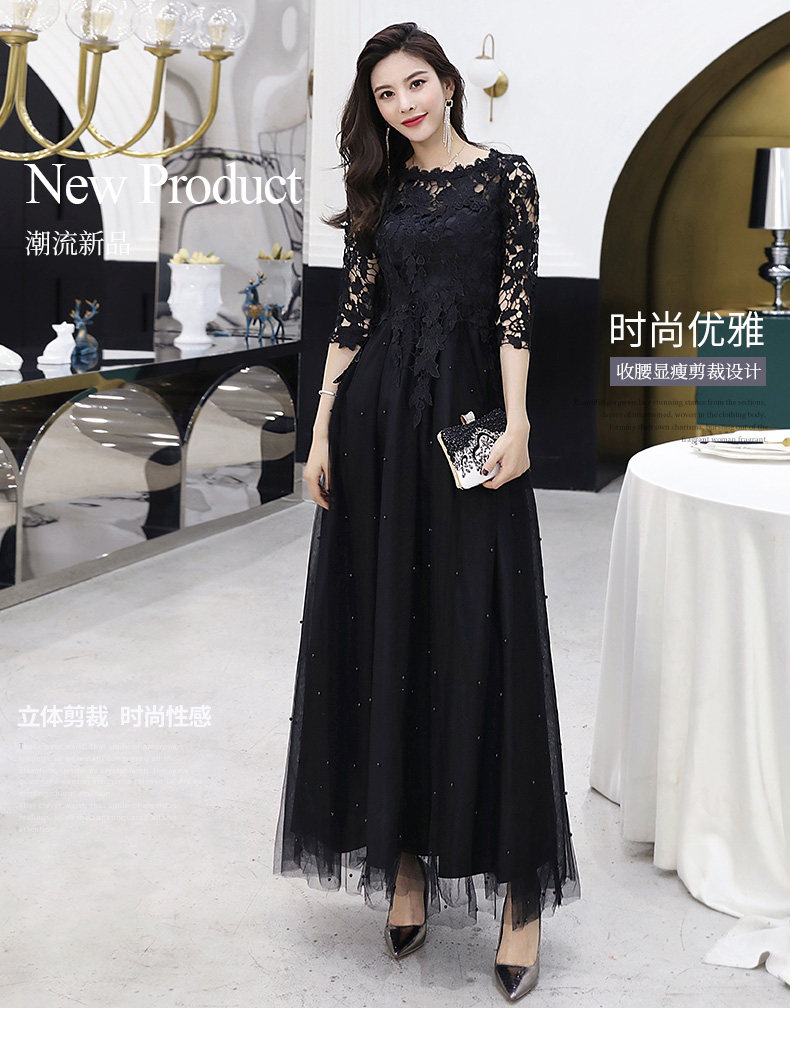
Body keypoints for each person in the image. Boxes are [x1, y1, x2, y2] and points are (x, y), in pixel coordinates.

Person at [273, 20, 580, 1002]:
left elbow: (514, 311)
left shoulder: (506, 179)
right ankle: (403, 859)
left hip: (469, 423)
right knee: (386, 629)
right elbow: (352, 316)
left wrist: (519, 423)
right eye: (385, 94)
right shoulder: (382, 189)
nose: (403, 104)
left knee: (486, 629)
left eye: (415, 83)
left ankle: (519, 892)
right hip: (376, 428)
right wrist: (322, 427)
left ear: (447, 82)